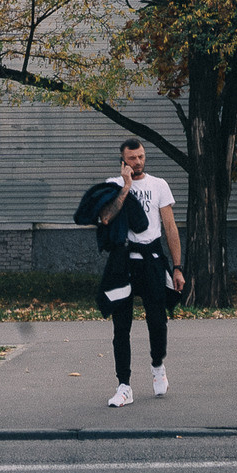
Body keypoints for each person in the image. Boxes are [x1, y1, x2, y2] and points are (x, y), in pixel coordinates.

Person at [95, 138, 183, 406]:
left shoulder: (159, 185)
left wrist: (177, 267)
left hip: (152, 261)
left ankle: (157, 365)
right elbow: (106, 217)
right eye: (132, 158)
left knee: (157, 320)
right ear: (122, 161)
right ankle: (124, 386)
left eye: (141, 157)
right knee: (121, 327)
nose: (138, 162)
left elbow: (170, 227)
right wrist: (126, 187)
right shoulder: (113, 185)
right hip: (123, 262)